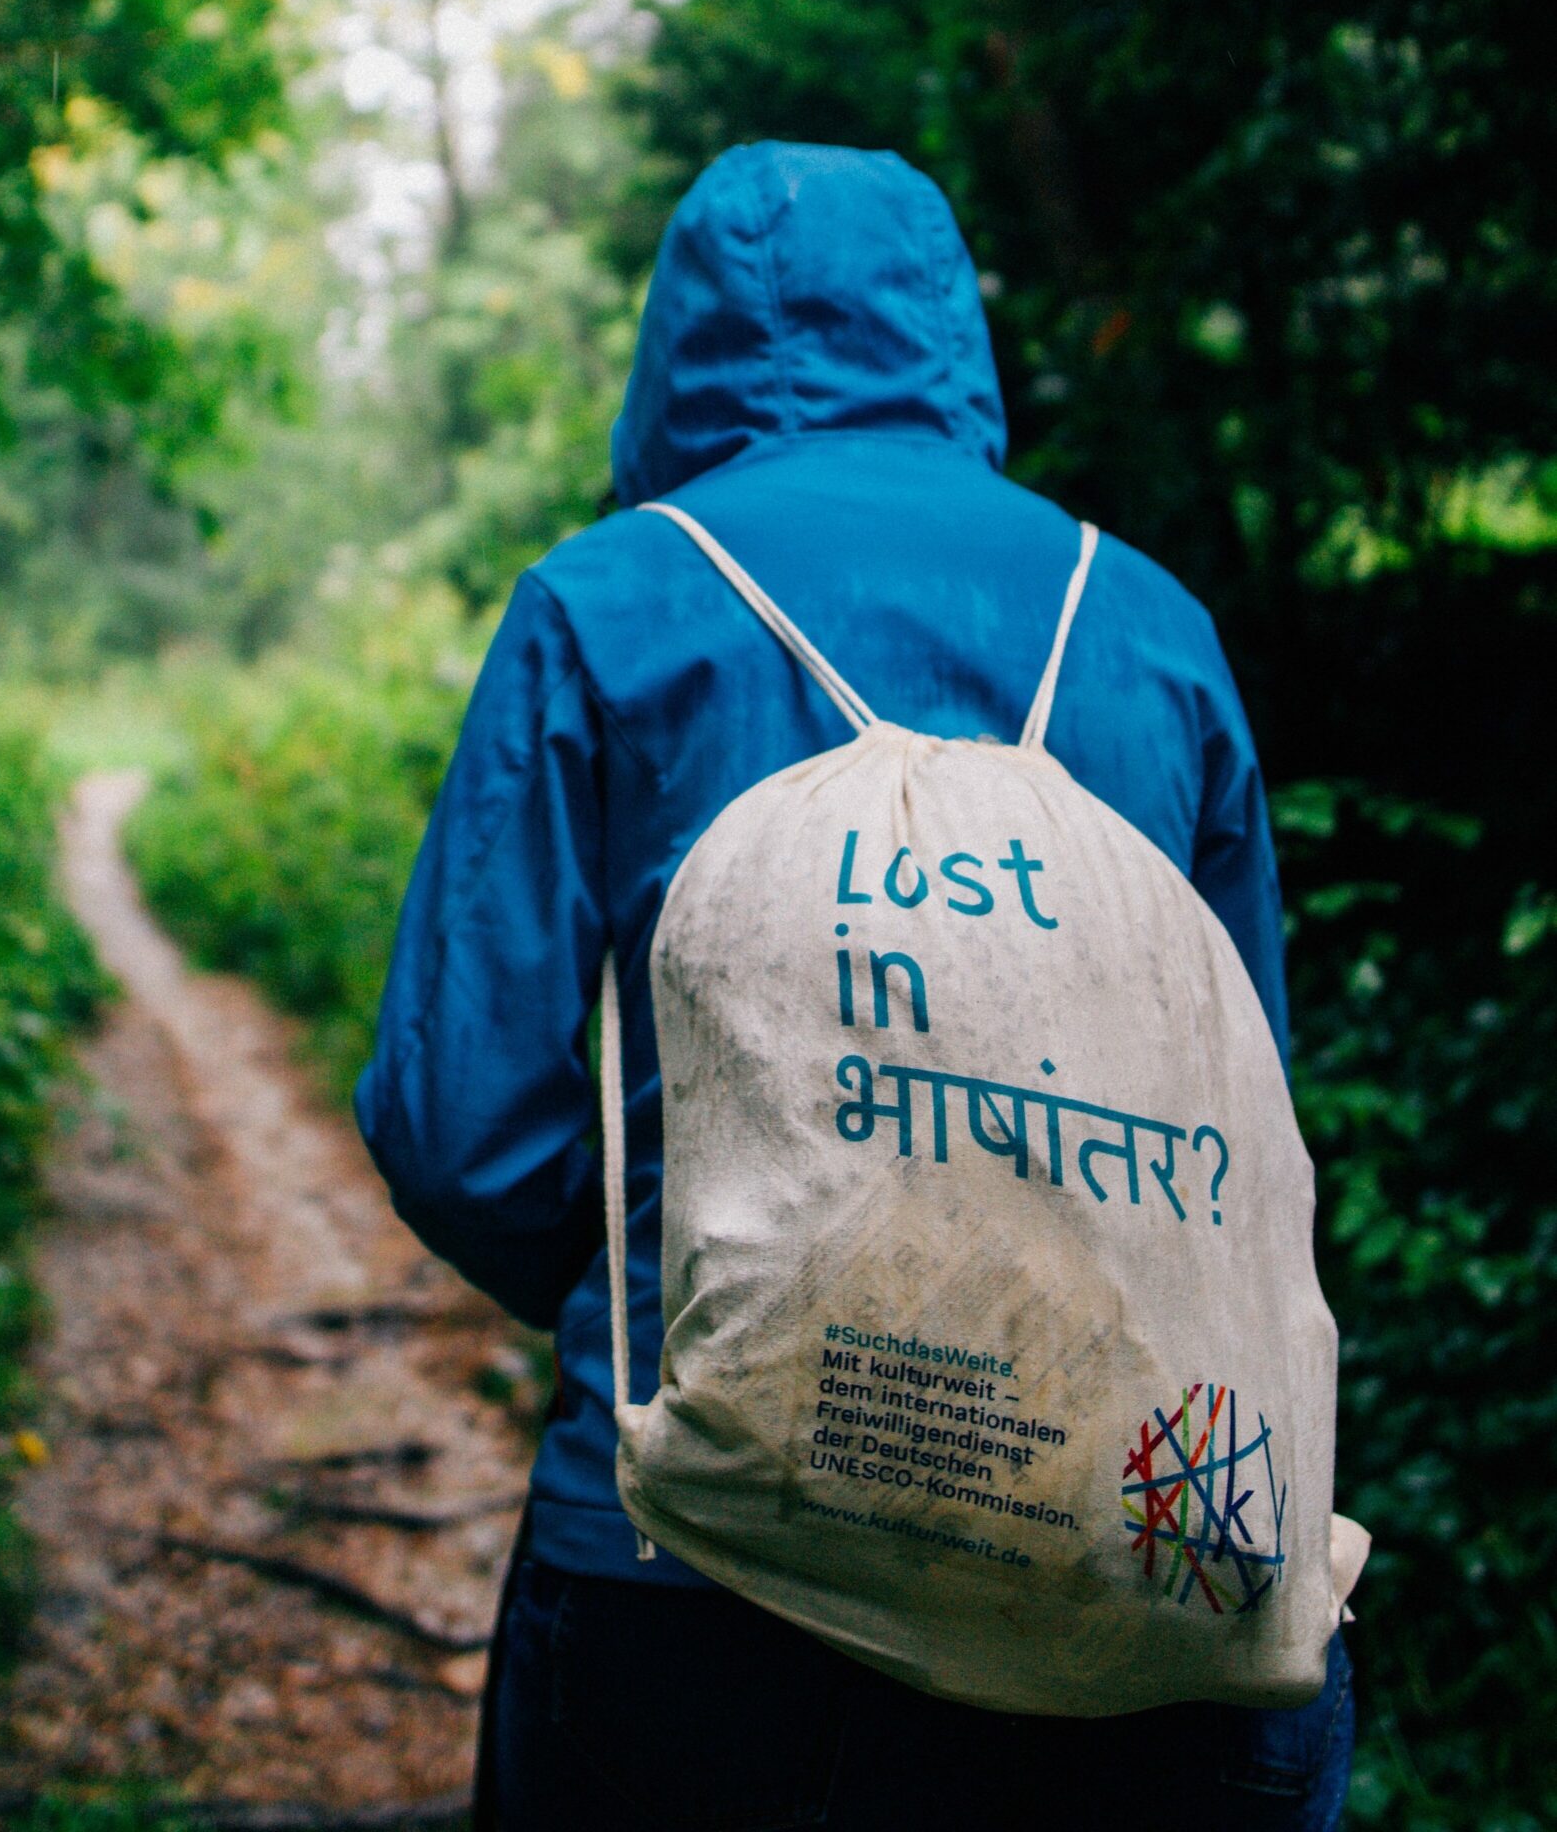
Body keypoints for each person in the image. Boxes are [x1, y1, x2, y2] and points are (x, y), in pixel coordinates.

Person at [356, 142, 1354, 1831]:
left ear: (674, 345)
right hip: (1121, 1565)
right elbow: (1237, 1137)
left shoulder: (604, 606)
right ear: (945, 328)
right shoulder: (1151, 622)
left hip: (691, 1570)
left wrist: (670, 1302)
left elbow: (466, 1130)